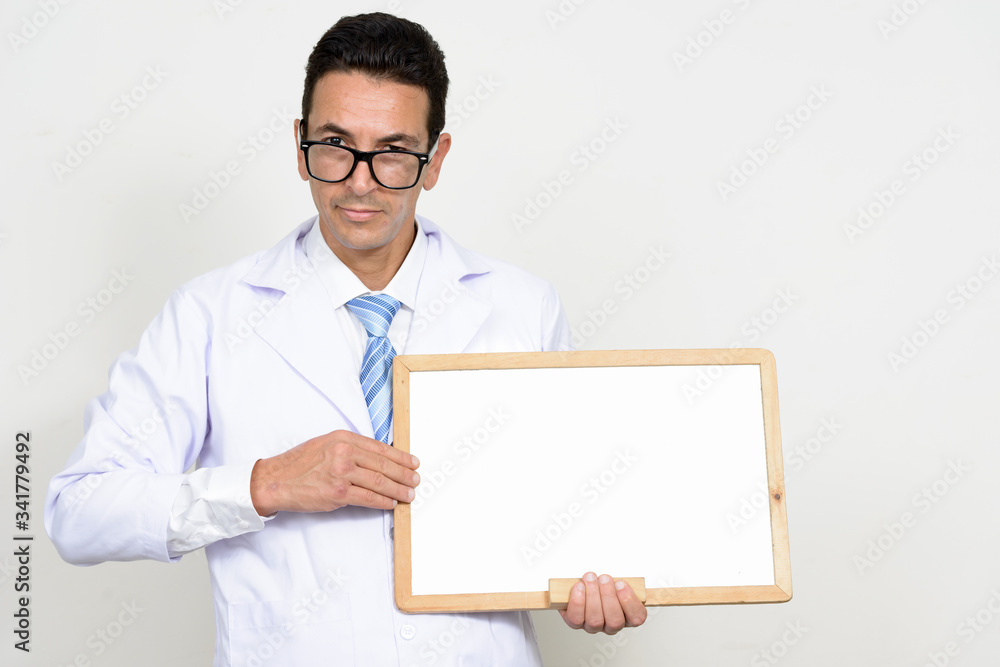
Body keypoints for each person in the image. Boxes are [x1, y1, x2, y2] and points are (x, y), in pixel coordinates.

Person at [45, 12, 646, 666]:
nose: (360, 181)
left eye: (392, 151)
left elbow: (565, 506)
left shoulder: (520, 305)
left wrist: (597, 579)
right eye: (336, 143)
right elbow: (78, 511)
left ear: (435, 159)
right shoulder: (210, 314)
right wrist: (264, 483)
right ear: (300, 142)